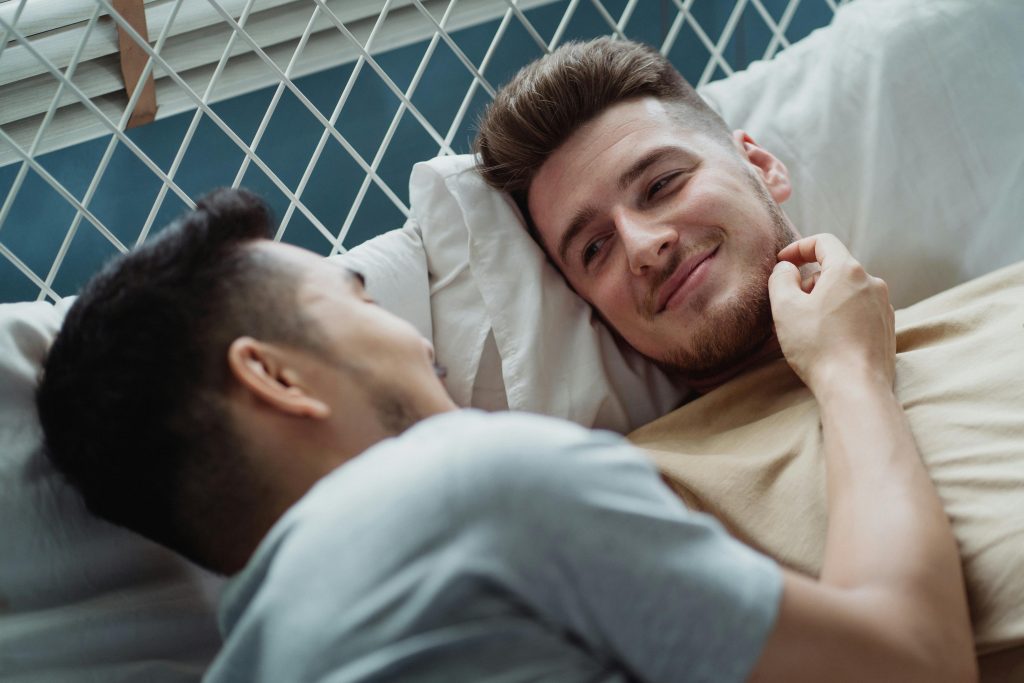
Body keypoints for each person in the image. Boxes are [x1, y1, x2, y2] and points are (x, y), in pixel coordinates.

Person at [35, 188, 975, 681]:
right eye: (356, 298)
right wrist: (850, 367)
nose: (419, 339)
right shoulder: (472, 482)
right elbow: (911, 668)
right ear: (273, 374)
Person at [475, 38, 808, 392]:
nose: (643, 247)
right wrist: (846, 363)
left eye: (661, 185)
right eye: (595, 248)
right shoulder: (624, 451)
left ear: (760, 166)